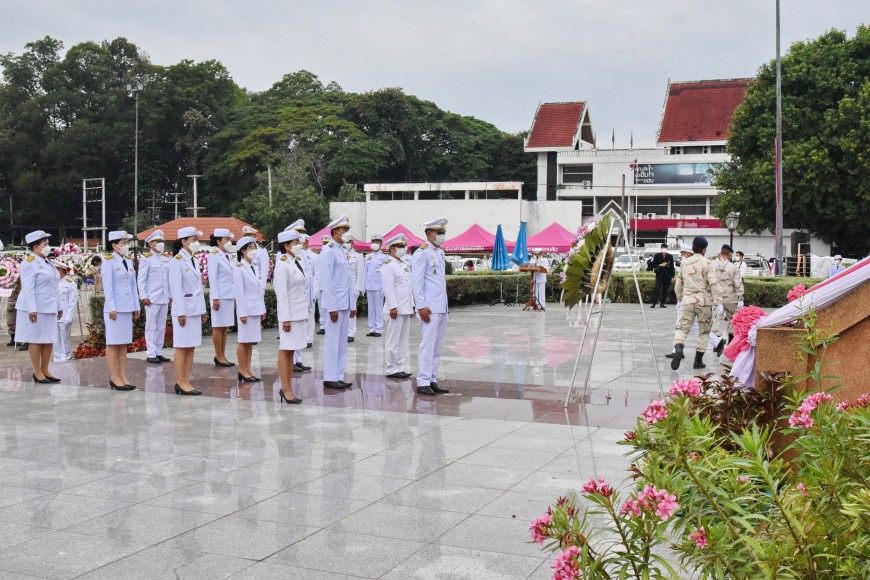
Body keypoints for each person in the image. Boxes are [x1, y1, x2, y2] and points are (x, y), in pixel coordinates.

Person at [411, 218, 451, 395]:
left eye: (443, 232)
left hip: (441, 307)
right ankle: (423, 381)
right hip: (428, 308)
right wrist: (420, 306)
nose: (442, 236)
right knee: (427, 345)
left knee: (437, 346)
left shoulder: (440, 253)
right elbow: (416, 282)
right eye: (439, 233)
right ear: (429, 234)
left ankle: (432, 379)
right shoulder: (421, 253)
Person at [17, 231, 62, 383]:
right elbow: (28, 288)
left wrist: (59, 306)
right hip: (36, 308)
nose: (48, 246)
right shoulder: (29, 263)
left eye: (47, 243)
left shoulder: (48, 262)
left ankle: (45, 369)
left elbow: (55, 286)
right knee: (36, 339)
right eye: (45, 244)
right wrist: (32, 309)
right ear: (35, 246)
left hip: (49, 307)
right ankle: (37, 371)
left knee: (48, 339)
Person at [671, 236, 722, 371]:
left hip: (687, 300)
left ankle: (679, 348)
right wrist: (718, 301)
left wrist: (680, 298)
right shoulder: (708, 263)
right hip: (703, 301)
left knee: (682, 329)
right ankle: (698, 361)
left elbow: (678, 285)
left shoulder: (684, 263)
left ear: (693, 248)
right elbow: (714, 283)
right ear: (704, 250)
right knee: (704, 332)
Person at [168, 226, 208, 395]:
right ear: (184, 242)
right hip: (183, 310)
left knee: (191, 346)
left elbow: (199, 288)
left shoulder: (194, 260)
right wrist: (181, 313)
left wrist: (203, 310)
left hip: (195, 309)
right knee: (182, 346)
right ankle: (180, 381)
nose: (197, 243)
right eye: (194, 240)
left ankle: (186, 380)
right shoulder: (176, 261)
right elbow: (176, 289)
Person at [319, 214, 356, 389]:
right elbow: (327, 281)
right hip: (334, 306)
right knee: (332, 343)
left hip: (345, 304)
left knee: (342, 344)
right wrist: (332, 307)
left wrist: (352, 305)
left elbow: (348, 281)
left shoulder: (342, 250)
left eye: (347, 229)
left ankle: (339, 375)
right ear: (335, 232)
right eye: (344, 229)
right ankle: (330, 376)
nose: (347, 232)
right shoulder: (328, 250)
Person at [102, 230, 140, 391]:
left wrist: (136, 305)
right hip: (115, 309)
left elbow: (133, 286)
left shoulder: (128, 262)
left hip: (126, 307)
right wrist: (111, 307)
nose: (126, 246)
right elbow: (108, 287)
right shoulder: (108, 261)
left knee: (123, 344)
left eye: (127, 243)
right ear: (114, 245)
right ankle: (114, 377)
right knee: (113, 343)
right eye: (123, 243)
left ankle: (123, 376)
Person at [273, 229, 307, 404]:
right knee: (285, 350)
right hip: (290, 316)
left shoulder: (295, 262)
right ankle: (285, 388)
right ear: (286, 246)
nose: (299, 245)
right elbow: (282, 294)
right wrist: (285, 318)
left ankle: (287, 387)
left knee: (291, 351)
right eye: (296, 243)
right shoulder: (283, 265)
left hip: (298, 314)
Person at [233, 236, 266, 383]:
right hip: (246, 310)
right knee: (243, 340)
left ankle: (248, 368)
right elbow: (239, 293)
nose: (254, 251)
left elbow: (259, 290)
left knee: (250, 341)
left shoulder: (254, 266)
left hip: (255, 309)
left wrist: (262, 309)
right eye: (251, 248)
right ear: (243, 251)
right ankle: (242, 369)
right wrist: (242, 313)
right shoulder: (239, 268)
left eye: (254, 248)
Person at [381, 234, 414, 379]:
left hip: (405, 308)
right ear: (392, 248)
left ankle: (399, 366)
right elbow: (388, 288)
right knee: (393, 341)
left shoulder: (403, 264)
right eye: (400, 246)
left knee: (402, 341)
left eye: (403, 246)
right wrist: (392, 307)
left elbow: (408, 287)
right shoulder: (388, 265)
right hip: (395, 309)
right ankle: (390, 368)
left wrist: (412, 306)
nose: (403, 249)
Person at [137, 230, 171, 364]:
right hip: (152, 298)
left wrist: (170, 295)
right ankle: (151, 353)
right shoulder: (146, 259)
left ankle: (158, 351)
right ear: (151, 244)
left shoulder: (166, 258)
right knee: (151, 327)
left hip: (164, 297)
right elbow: (141, 280)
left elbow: (168, 280)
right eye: (158, 242)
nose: (161, 244)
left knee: (161, 327)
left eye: (162, 241)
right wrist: (143, 296)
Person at [285, 221, 312, 373]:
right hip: (293, 301)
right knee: (292, 335)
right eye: (298, 234)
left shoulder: (301, 254)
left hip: (303, 297)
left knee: (300, 333)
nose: (301, 236)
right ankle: (293, 361)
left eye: (301, 233)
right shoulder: (284, 257)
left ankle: (298, 359)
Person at [207, 228, 236, 367]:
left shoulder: (228, 255)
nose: (229, 242)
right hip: (220, 296)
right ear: (219, 241)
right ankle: (218, 355)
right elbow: (212, 278)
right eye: (226, 239)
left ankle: (222, 355)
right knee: (218, 327)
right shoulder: (214, 255)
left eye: (230, 239)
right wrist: (215, 298)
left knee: (225, 327)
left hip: (229, 295)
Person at [711, 244, 744, 356]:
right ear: (729, 254)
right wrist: (740, 298)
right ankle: (730, 343)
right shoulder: (733, 267)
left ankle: (717, 343)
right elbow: (738, 284)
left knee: (716, 319)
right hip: (731, 298)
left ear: (721, 253)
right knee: (732, 320)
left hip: (717, 298)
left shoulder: (713, 266)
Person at [53, 260, 77, 362]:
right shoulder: (54, 282)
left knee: (65, 338)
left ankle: (66, 356)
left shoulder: (70, 283)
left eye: (56, 270)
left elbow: (73, 302)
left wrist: (69, 317)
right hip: (54, 315)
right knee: (55, 338)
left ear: (60, 271)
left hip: (65, 315)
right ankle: (57, 357)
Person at [343, 233, 365, 343]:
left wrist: (357, 288)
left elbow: (360, 273)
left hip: (352, 286)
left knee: (351, 309)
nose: (347, 244)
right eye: (345, 242)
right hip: (342, 287)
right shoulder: (340, 253)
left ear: (352, 242)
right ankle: (343, 332)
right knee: (342, 310)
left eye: (349, 242)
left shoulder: (358, 255)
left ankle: (351, 332)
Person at [364, 232, 387, 337]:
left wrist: (384, 287)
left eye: (377, 242)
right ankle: (372, 328)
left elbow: (385, 274)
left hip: (379, 286)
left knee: (378, 308)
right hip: (369, 285)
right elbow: (365, 272)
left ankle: (378, 329)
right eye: (373, 241)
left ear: (381, 244)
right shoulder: (368, 256)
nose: (375, 243)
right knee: (371, 309)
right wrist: (364, 286)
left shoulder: (384, 257)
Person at [649, 243, 675, 308]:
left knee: (665, 290)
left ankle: (662, 303)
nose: (664, 249)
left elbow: (672, 267)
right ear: (661, 248)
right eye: (663, 248)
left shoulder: (670, 256)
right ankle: (653, 303)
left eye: (665, 248)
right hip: (659, 275)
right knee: (657, 289)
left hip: (667, 276)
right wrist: (660, 265)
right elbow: (653, 264)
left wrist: (672, 276)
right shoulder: (657, 255)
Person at [315, 235, 331, 335]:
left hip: (328, 285)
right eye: (323, 243)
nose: (324, 245)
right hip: (320, 284)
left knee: (327, 307)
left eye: (326, 243)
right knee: (321, 307)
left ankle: (328, 325)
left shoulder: (331, 255)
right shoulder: (318, 255)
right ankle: (322, 326)